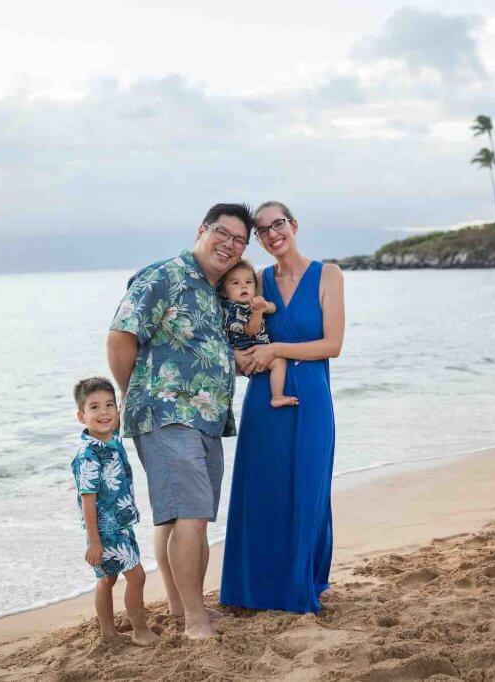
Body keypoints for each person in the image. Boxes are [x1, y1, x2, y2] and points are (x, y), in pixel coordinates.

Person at [107, 203, 254, 639]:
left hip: (207, 418)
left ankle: (178, 605)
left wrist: (241, 359)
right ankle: (195, 619)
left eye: (239, 240)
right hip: (166, 413)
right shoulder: (164, 275)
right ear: (202, 230)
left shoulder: (215, 291)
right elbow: (120, 337)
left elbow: (204, 351)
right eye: (222, 234)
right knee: (191, 514)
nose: (229, 245)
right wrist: (131, 392)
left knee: (177, 517)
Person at [220, 200, 345, 614]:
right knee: (264, 489)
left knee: (308, 487)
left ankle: (300, 581)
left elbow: (333, 346)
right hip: (264, 401)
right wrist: (240, 357)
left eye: (278, 224)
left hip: (312, 397)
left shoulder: (328, 274)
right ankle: (253, 588)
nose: (272, 234)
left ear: (294, 224)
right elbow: (235, 330)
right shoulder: (256, 280)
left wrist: (276, 348)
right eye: (262, 230)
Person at [70, 376, 158, 646]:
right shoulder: (89, 456)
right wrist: (94, 541)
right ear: (81, 416)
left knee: (107, 579)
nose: (104, 412)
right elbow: (87, 501)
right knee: (137, 576)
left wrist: (127, 386)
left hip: (120, 523)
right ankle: (140, 630)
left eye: (109, 405)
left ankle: (108, 633)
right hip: (108, 529)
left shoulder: (111, 438)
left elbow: (117, 412)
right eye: (94, 408)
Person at [219, 259, 298, 408]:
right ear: (224, 291)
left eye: (248, 282)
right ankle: (277, 396)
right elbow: (251, 330)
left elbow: (274, 308)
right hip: (246, 354)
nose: (243, 286)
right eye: (235, 283)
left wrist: (266, 306)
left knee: (279, 362)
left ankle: (276, 396)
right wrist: (257, 311)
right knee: (279, 362)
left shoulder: (252, 303)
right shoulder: (231, 309)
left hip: (258, 350)